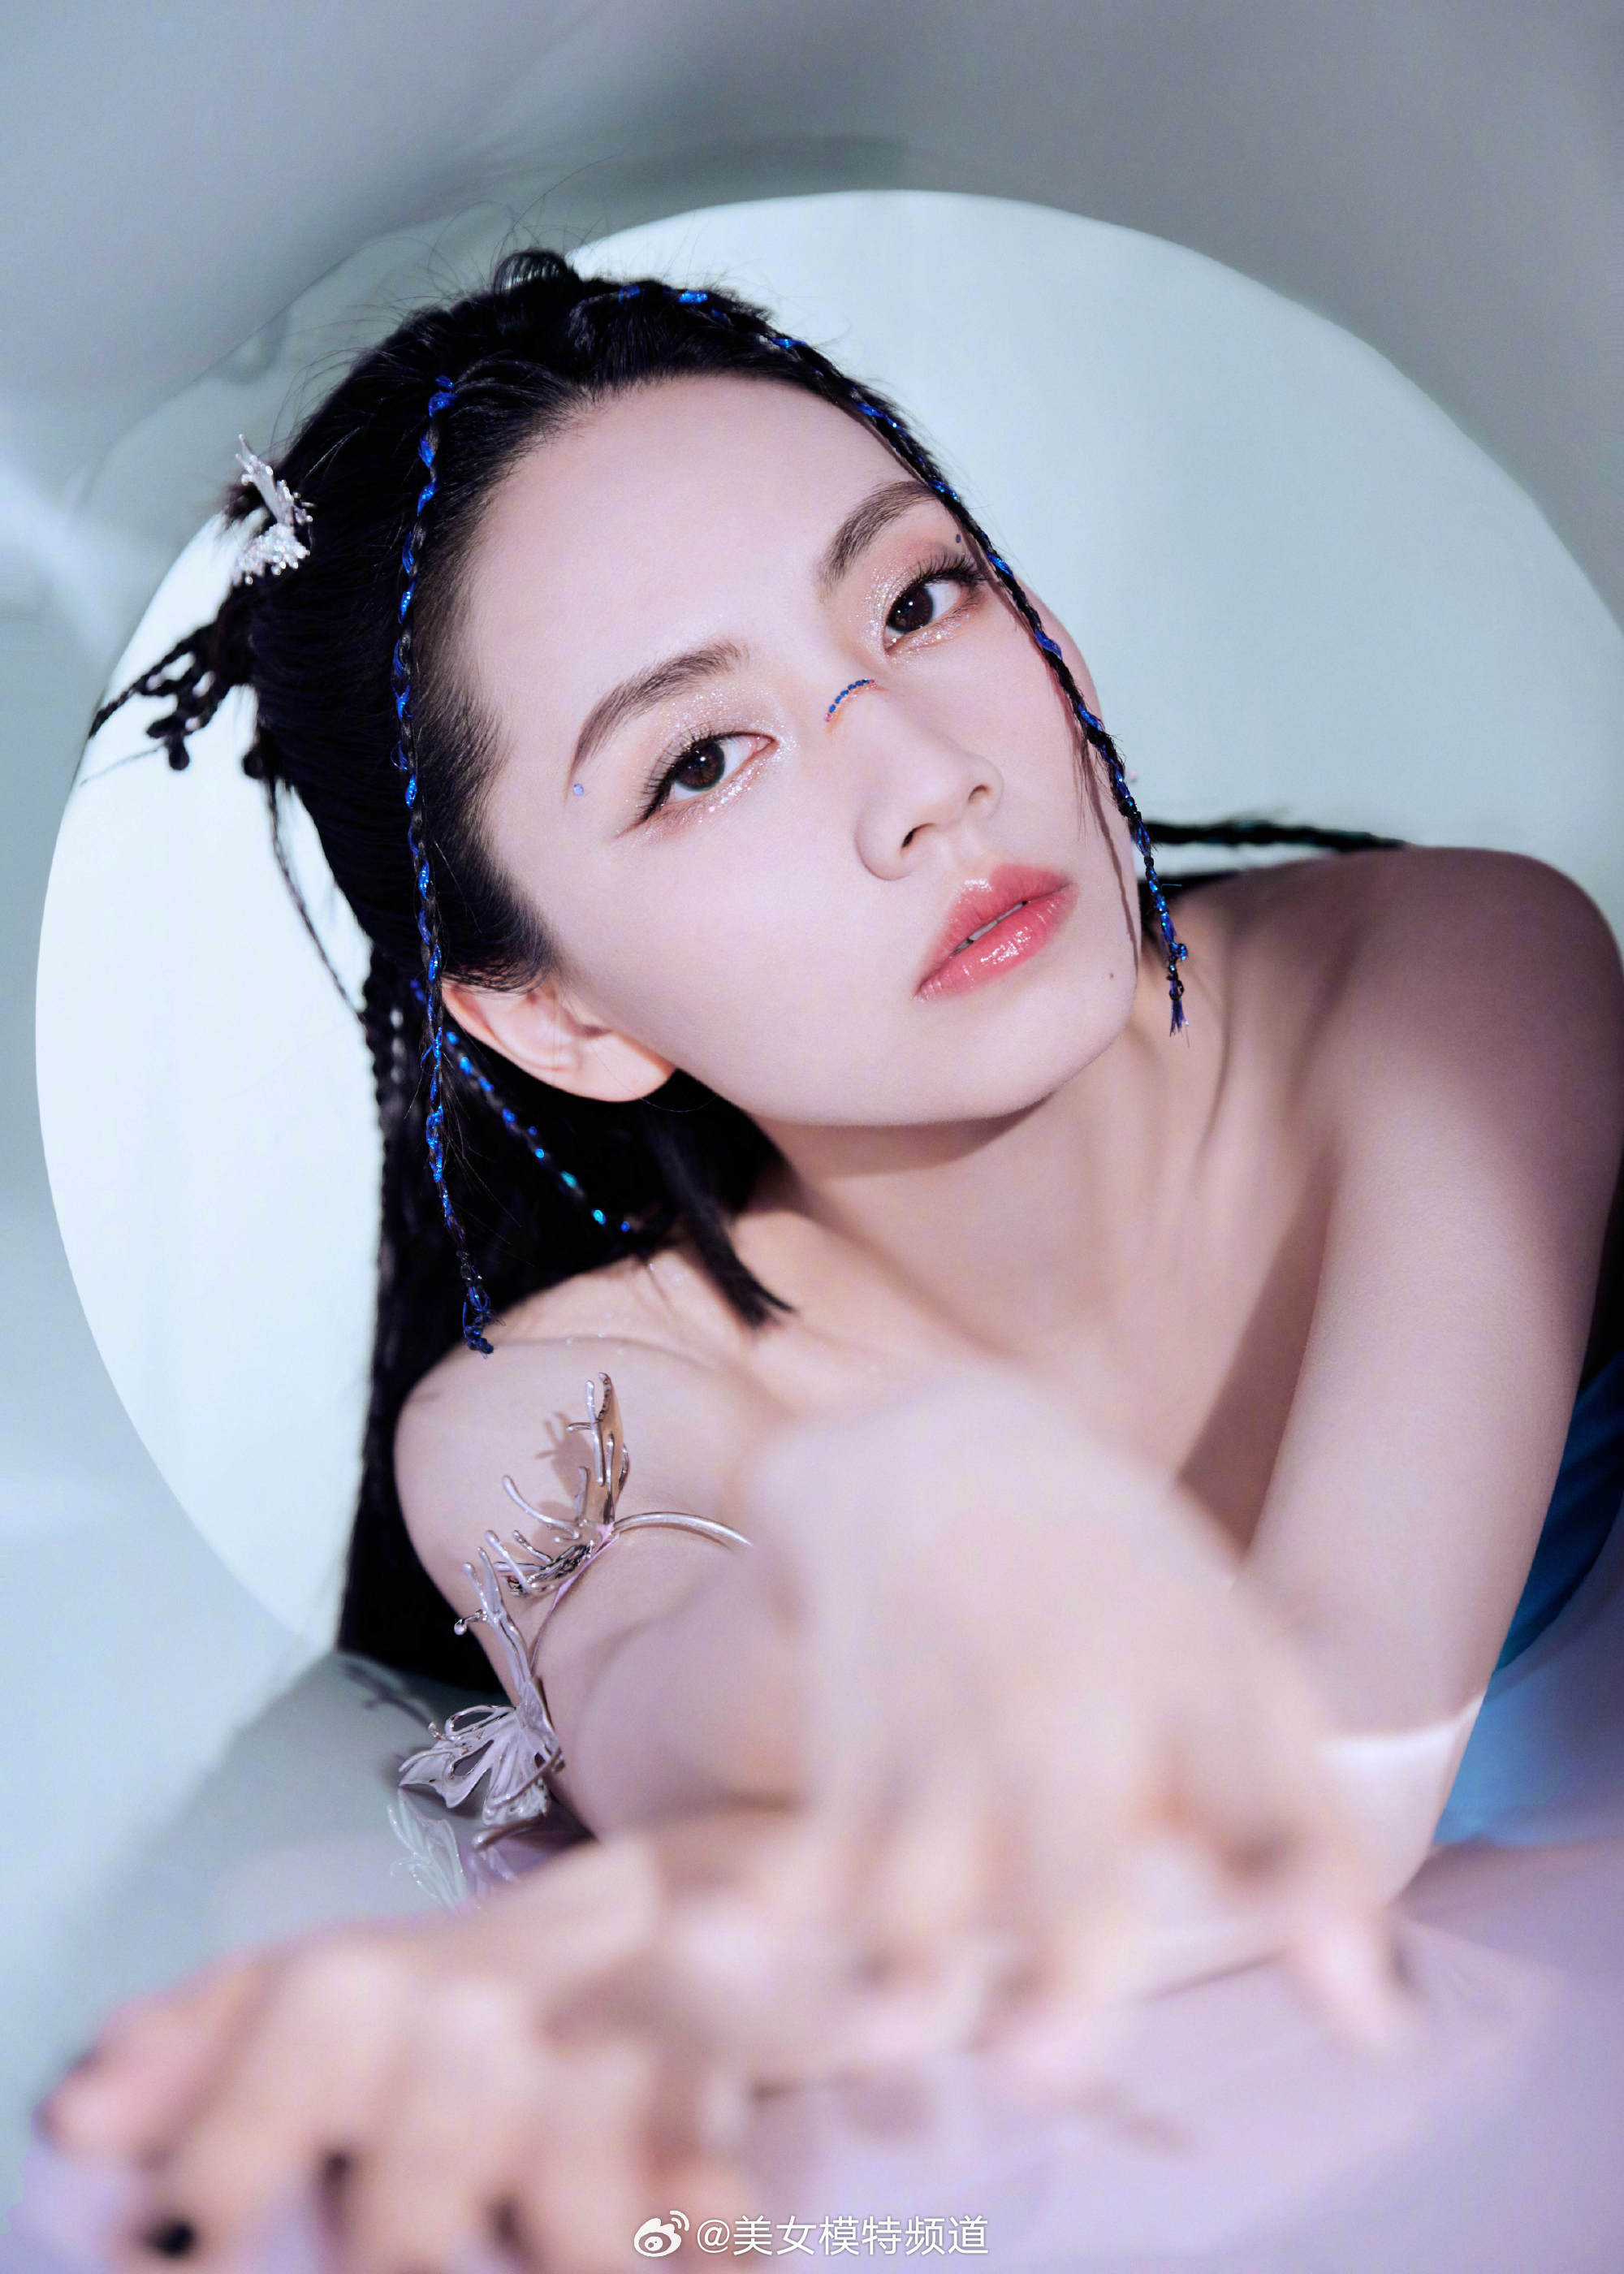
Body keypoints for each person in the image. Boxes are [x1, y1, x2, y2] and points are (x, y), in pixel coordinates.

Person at [47, 249, 1624, 2273]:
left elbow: (1333, 1780)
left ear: (1049, 633)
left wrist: (706, 1959)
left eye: (916, 601)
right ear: (559, 1017)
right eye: (701, 760)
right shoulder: (557, 1409)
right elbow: (661, 1720)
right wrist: (824, 1571)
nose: (925, 780)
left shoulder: (1448, 982)